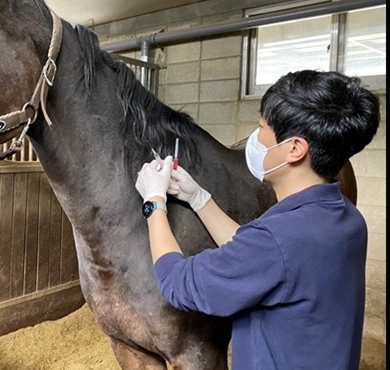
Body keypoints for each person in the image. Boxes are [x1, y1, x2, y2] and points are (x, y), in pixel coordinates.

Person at [135, 70, 380, 370]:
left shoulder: (277, 242)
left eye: (262, 127)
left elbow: (177, 283)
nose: (255, 137)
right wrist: (198, 198)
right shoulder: (346, 217)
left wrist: (154, 202)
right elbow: (258, 253)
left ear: (294, 149)